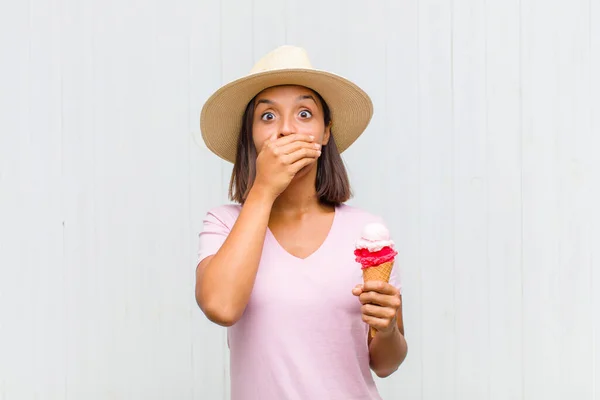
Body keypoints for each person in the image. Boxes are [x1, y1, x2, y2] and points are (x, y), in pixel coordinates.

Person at [194, 45, 407, 400]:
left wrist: (385, 332)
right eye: (267, 117)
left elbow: (386, 363)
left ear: (326, 133)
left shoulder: (368, 234)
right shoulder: (224, 224)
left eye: (305, 113)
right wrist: (263, 188)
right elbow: (221, 306)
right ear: (251, 138)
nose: (287, 130)